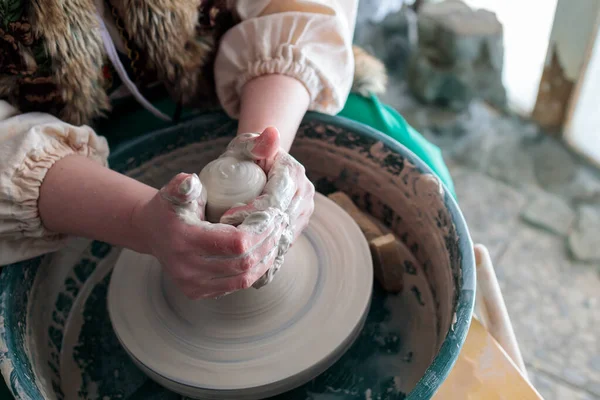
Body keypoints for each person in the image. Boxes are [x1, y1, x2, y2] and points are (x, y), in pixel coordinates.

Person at [0, 0, 392, 299]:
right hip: (52, 147)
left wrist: (260, 155)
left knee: (406, 153)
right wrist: (142, 222)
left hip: (244, 78)